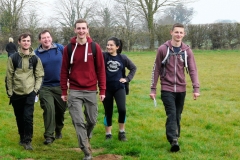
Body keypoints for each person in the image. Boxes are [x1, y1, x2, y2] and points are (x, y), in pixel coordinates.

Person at [149, 23, 200, 152]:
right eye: (176, 32)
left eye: (181, 33)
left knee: (177, 115)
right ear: (171, 32)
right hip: (167, 88)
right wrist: (153, 89)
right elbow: (156, 70)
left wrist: (196, 88)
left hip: (182, 89)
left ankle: (175, 135)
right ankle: (173, 140)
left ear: (184, 34)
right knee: (171, 113)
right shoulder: (163, 49)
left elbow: (193, 70)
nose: (178, 35)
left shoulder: (187, 51)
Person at [60, 19, 106, 160]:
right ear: (75, 30)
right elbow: (63, 71)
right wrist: (64, 91)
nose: (81, 31)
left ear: (87, 29)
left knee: (92, 120)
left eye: (83, 28)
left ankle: (86, 135)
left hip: (91, 90)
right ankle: (86, 151)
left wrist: (102, 90)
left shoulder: (95, 47)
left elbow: (101, 70)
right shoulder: (68, 48)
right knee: (78, 121)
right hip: (74, 90)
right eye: (78, 28)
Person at [5, 33, 44, 150]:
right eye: (24, 40)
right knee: (19, 117)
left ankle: (28, 140)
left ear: (30, 42)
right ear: (19, 42)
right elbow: (9, 76)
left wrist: (35, 91)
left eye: (28, 40)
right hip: (16, 93)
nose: (26, 42)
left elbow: (39, 76)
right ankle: (22, 137)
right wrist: (10, 93)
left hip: (30, 93)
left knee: (28, 117)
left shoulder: (35, 59)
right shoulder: (13, 58)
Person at [35, 30, 67, 145]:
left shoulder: (60, 49)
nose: (46, 39)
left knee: (60, 111)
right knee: (49, 109)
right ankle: (49, 136)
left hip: (60, 86)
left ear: (51, 38)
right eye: (43, 38)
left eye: (48, 37)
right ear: (40, 40)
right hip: (45, 87)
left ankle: (58, 129)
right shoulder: (36, 54)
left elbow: (68, 63)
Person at [102, 37, 137, 141]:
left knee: (122, 110)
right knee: (108, 111)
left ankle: (122, 132)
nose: (108, 47)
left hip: (119, 88)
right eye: (107, 45)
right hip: (106, 88)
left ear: (117, 47)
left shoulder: (123, 58)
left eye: (111, 45)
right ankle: (108, 134)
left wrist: (127, 79)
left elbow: (133, 68)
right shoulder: (104, 56)